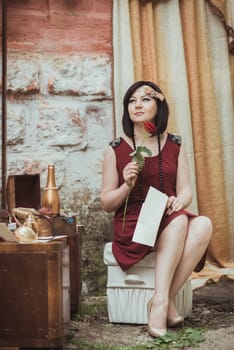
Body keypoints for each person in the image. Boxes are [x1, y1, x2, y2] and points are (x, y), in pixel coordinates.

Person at [100, 81, 212, 338]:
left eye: (145, 99)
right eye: (132, 100)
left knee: (203, 223)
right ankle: (163, 305)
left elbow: (185, 190)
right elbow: (107, 203)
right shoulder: (115, 149)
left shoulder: (174, 143)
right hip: (135, 223)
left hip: (167, 216)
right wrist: (126, 186)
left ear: (159, 106)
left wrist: (179, 201)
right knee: (181, 221)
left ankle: (161, 300)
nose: (137, 104)